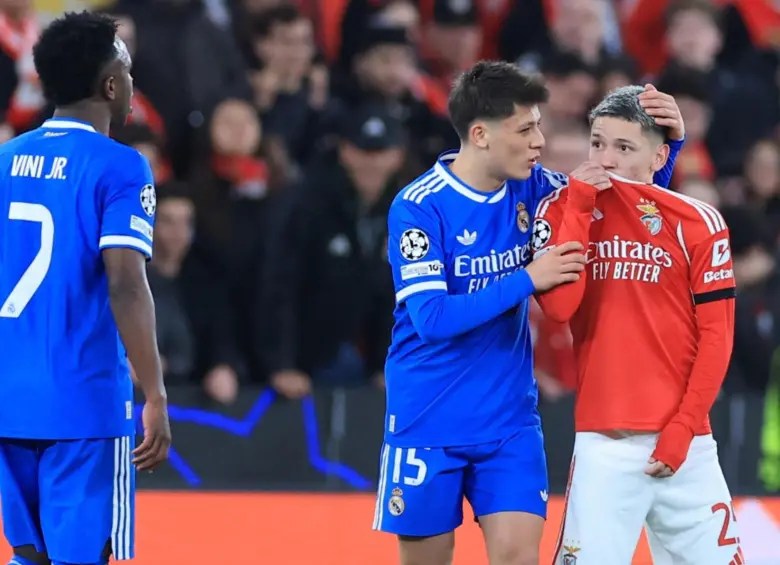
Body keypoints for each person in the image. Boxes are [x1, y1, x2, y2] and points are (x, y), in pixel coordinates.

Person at [372, 61, 682, 565]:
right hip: (427, 420)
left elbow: (630, 208)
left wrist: (670, 146)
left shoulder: (534, 188)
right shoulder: (419, 206)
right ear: (480, 134)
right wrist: (527, 279)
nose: (540, 139)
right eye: (525, 128)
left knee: (519, 558)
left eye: (539, 124)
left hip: (509, 421)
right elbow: (432, 319)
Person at [532, 86, 741, 564]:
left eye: (624, 149)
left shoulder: (699, 221)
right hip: (604, 446)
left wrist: (684, 428)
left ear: (659, 156)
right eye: (598, 143)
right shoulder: (560, 211)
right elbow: (560, 309)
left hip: (687, 444)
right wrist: (581, 208)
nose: (606, 160)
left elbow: (717, 336)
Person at [0, 11, 171, 565]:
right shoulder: (121, 167)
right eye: (127, 68)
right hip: (84, 402)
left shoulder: (2, 161)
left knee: (31, 558)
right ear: (111, 84)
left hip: (7, 399)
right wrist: (154, 390)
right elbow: (125, 283)